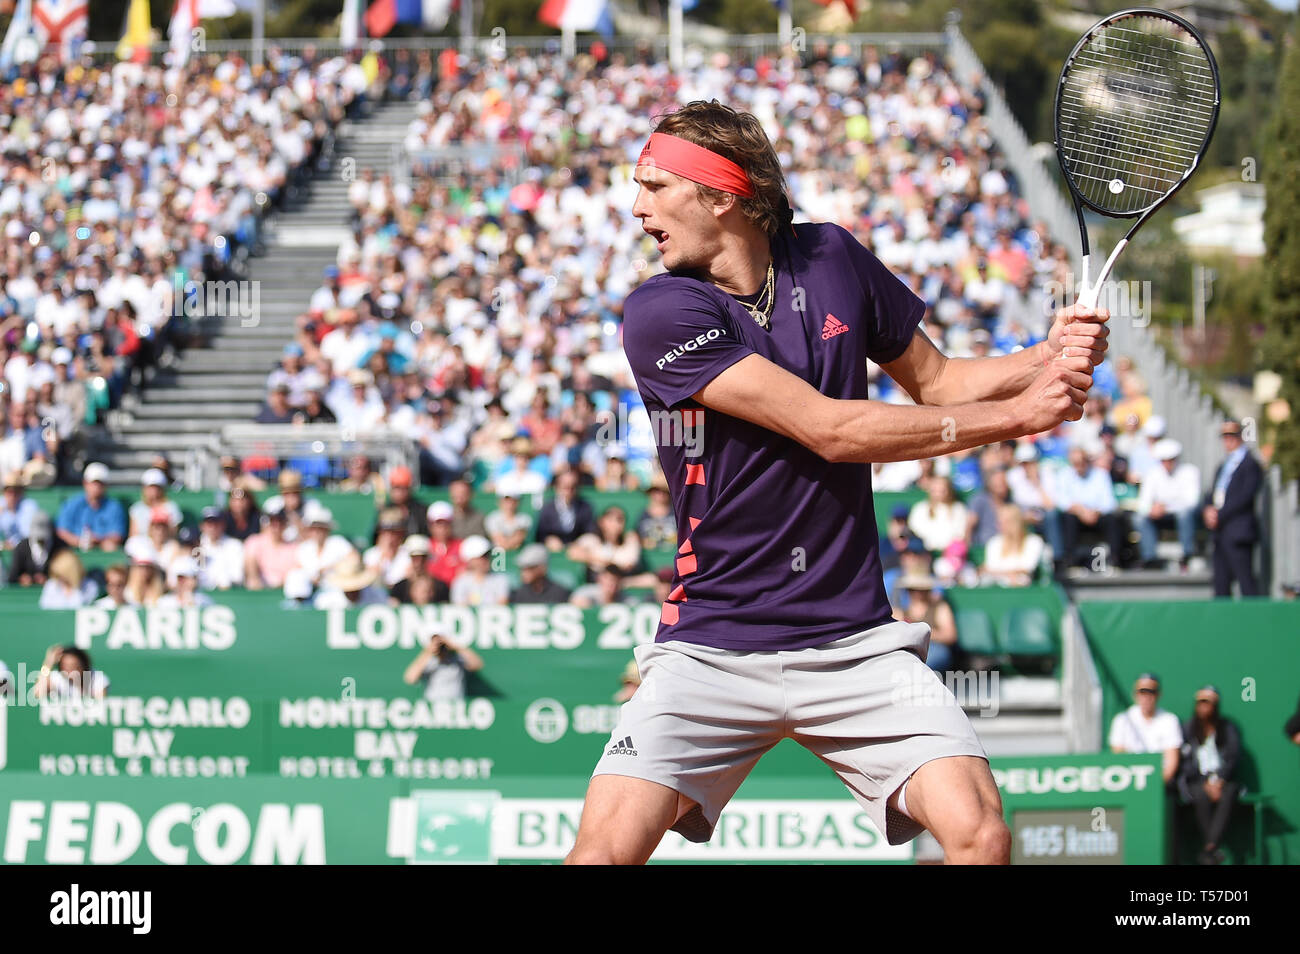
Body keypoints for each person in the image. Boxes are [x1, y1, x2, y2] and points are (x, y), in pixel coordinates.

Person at [567, 102, 1107, 865]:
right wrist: (1021, 415)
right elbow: (832, 429)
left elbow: (943, 382)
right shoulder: (660, 311)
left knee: (982, 836)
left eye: (654, 186)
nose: (636, 208)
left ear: (720, 195)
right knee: (600, 858)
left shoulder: (831, 257)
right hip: (712, 646)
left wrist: (1045, 356)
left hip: (856, 641)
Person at [1176, 685, 1242, 865]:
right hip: (1198, 782)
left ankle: (1209, 848)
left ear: (1215, 705)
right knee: (1199, 794)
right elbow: (1186, 763)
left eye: (1208, 703)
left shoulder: (1227, 728)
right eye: (1201, 702)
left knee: (1228, 793)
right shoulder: (1188, 728)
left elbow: (1233, 757)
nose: (1204, 707)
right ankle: (1213, 848)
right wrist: (1206, 782)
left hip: (1223, 781)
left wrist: (1219, 779)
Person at [1203, 420, 1263, 597]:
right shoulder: (1224, 465)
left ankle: (1253, 620)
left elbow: (1244, 497)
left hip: (1237, 529)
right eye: (1225, 437)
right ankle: (1222, 622)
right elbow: (1212, 492)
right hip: (1220, 531)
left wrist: (1220, 514)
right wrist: (1208, 509)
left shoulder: (1250, 464)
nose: (1228, 441)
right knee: (1220, 583)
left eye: (1231, 436)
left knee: (1245, 580)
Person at [1049, 445, 1125, 572]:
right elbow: (1062, 501)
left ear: (1087, 461)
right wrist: (1081, 511)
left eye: (1081, 462)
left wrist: (1094, 512)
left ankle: (1115, 560)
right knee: (1068, 518)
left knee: (1113, 519)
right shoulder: (1064, 475)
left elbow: (1109, 502)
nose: (1078, 466)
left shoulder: (1100, 474)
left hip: (1097, 516)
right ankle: (1071, 561)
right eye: (1075, 463)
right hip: (1076, 516)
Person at [1135, 439, 1200, 570]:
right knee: (1139, 518)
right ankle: (1150, 557)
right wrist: (1152, 509)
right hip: (1160, 517)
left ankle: (1187, 554)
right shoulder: (1153, 473)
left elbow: (1192, 502)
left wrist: (1165, 507)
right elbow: (1143, 503)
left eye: (1170, 460)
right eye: (1164, 460)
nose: (1167, 464)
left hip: (1182, 517)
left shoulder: (1189, 471)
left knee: (1184, 514)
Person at [1109, 673, 1182, 787]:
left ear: (1159, 694)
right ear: (1135, 694)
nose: (1147, 697)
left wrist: (1154, 786)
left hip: (1161, 785)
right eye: (1142, 692)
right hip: (1129, 784)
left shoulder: (1170, 720)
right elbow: (1118, 756)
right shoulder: (1122, 720)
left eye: (1151, 691)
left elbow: (1171, 762)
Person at [893, 572, 958, 672]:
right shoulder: (901, 610)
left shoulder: (940, 607)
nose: (916, 593)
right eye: (912, 589)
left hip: (935, 648)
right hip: (910, 651)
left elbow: (950, 636)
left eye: (920, 589)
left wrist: (921, 632)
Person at [55, 462, 127, 551]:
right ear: (85, 483)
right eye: (94, 483)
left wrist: (98, 541)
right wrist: (80, 542)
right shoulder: (73, 504)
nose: (96, 487)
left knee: (111, 548)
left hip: (103, 550)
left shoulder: (114, 507)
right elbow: (62, 531)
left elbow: (117, 534)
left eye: (100, 484)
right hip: (74, 551)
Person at [402, 630, 485, 701]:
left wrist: (455, 646)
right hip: (433, 708)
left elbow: (477, 664)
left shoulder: (457, 659)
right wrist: (428, 651)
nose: (439, 644)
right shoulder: (427, 660)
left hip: (455, 708)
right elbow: (410, 678)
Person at [980, 503, 1045, 587]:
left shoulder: (1034, 541)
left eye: (1006, 522)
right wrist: (1008, 575)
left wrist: (1003, 574)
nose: (999, 526)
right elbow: (989, 568)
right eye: (999, 522)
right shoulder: (994, 542)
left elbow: (1027, 569)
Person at [243, 499, 300, 590]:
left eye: (280, 522)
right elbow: (251, 569)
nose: (276, 526)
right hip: (259, 591)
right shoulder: (254, 541)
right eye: (272, 522)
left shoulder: (293, 547)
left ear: (285, 525)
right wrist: (255, 582)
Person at [534, 469, 596, 550]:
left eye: (573, 487)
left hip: (578, 547)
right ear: (557, 487)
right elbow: (541, 534)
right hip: (553, 549)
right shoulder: (547, 508)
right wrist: (548, 540)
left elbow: (589, 531)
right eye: (565, 487)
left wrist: (577, 544)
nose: (569, 491)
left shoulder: (585, 507)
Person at [907, 476, 968, 554]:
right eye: (935, 490)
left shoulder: (959, 509)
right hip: (924, 554)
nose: (938, 494)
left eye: (942, 490)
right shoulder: (920, 509)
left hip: (951, 555)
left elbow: (960, 534)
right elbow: (915, 531)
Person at [449, 535, 509, 606]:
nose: (486, 560)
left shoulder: (500, 579)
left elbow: (502, 604)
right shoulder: (460, 581)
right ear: (471, 560)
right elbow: (459, 606)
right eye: (481, 556)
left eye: (487, 555)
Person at [196, 506, 245, 590]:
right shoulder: (195, 546)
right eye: (209, 523)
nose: (213, 527)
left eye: (216, 523)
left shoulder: (235, 546)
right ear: (201, 526)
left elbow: (237, 577)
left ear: (223, 524)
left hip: (229, 593)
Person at [33, 645, 109, 700]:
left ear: (84, 665)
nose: (70, 671)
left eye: (75, 666)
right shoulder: (56, 677)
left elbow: (100, 705)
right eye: (66, 666)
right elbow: (38, 694)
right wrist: (48, 664)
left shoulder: (97, 678)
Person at [6, 510, 61, 586]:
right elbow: (12, 577)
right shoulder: (22, 547)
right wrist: (22, 579)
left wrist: (48, 579)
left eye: (43, 539)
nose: (41, 541)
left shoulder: (59, 547)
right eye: (38, 539)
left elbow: (64, 575)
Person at [128, 468, 182, 537]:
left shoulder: (171, 507)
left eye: (156, 487)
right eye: (150, 487)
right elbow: (133, 535)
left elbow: (173, 533)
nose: (153, 491)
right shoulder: (136, 508)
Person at [0, 471, 39, 551]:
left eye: (16, 490)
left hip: (24, 550)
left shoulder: (29, 506)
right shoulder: (1, 503)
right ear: (4, 491)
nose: (12, 495)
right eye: (9, 490)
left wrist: (13, 543)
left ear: (21, 491)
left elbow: (27, 535)